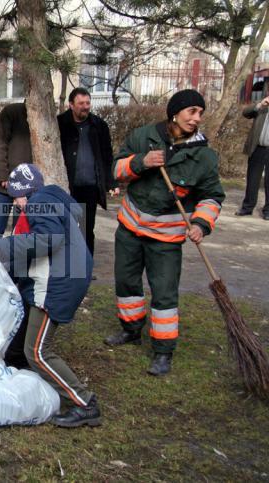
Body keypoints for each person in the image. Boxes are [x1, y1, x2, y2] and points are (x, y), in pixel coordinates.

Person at [104, 89, 225, 376]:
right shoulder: (144, 136)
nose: (196, 118)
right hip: (130, 229)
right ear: (175, 113)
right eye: (191, 112)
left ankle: (162, 351)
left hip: (166, 240)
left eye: (200, 114)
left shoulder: (204, 157)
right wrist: (141, 162)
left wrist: (200, 224)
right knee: (127, 283)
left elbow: (211, 197)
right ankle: (131, 329)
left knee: (164, 295)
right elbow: (116, 170)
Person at [0, 163, 98, 428]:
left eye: (15, 198)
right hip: (64, 277)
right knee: (25, 349)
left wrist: (4, 245)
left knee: (37, 351)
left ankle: (86, 402)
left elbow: (48, 239)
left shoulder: (39, 201)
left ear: (25, 192)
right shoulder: (50, 199)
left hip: (58, 282)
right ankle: (27, 377)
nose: (16, 205)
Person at [58, 87, 119, 255]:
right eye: (81, 103)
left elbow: (107, 156)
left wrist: (110, 182)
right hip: (67, 187)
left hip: (89, 187)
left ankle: (84, 266)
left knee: (86, 229)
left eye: (87, 103)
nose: (85, 107)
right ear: (71, 105)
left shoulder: (99, 125)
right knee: (65, 227)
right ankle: (65, 266)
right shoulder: (59, 124)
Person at [0, 102, 33, 235]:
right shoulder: (12, 112)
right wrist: (3, 178)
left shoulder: (45, 118)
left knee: (22, 233)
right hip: (3, 186)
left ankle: (17, 256)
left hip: (28, 187)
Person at [236, 94, 269, 220]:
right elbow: (246, 112)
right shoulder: (263, 105)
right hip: (258, 147)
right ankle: (247, 207)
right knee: (252, 179)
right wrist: (260, 104)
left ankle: (268, 210)